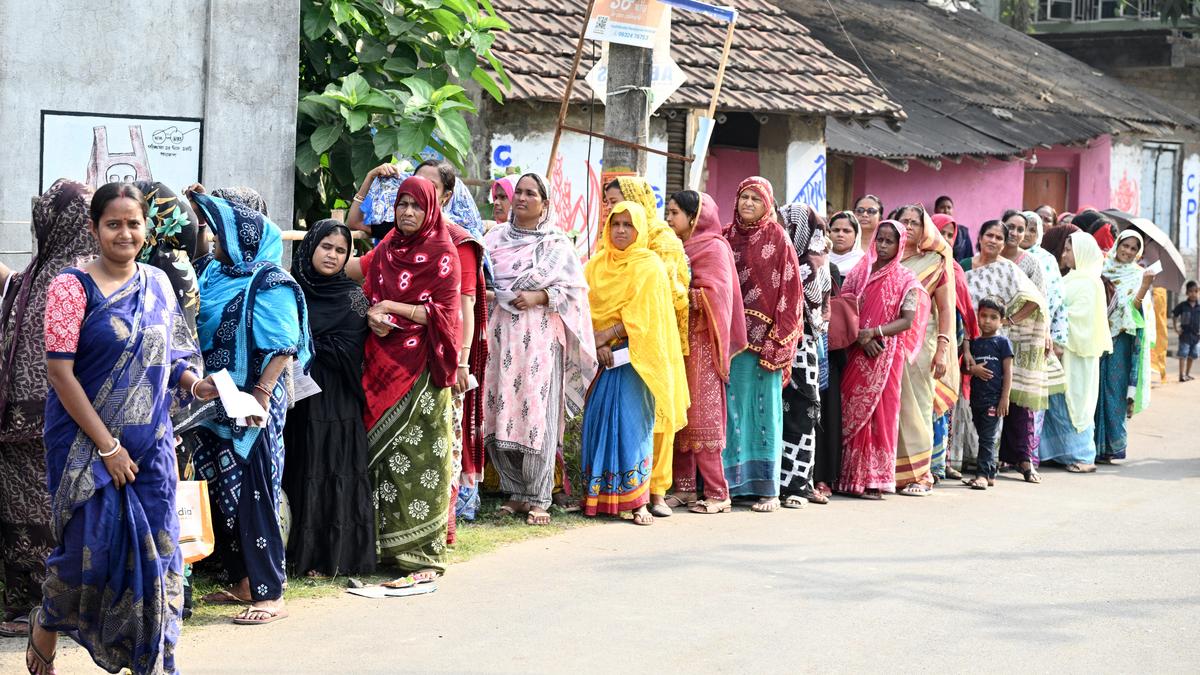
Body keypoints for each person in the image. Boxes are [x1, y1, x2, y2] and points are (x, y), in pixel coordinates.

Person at [31, 182, 217, 675]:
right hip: (81, 448)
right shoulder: (70, 288)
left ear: (147, 228)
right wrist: (108, 447)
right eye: (113, 223)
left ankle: (153, 662)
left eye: (133, 223)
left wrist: (197, 386)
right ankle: (47, 623)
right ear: (94, 229)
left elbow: (175, 356)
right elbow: (59, 373)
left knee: (158, 557)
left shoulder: (157, 282)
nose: (124, 232)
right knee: (82, 557)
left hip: (150, 447)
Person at [190, 192, 313, 625]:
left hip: (254, 401)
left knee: (255, 488)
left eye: (220, 231)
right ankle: (242, 580)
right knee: (222, 492)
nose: (214, 238)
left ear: (243, 238)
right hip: (215, 398)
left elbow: (284, 345)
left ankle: (269, 592)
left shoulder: (270, 281)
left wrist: (260, 393)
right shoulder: (213, 271)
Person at [345, 175, 460, 583]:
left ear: (431, 209)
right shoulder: (388, 247)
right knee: (384, 460)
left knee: (420, 457)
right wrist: (368, 312)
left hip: (422, 367)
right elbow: (348, 273)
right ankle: (386, 548)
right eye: (401, 205)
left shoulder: (443, 251)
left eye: (416, 205)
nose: (407, 212)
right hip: (379, 364)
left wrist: (392, 305)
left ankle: (424, 555)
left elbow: (445, 314)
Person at [0, 180, 97, 640]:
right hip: (15, 426)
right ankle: (26, 605)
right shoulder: (37, 271)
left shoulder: (83, 278)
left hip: (60, 421)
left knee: (54, 514)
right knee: (20, 516)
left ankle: (55, 608)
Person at [484, 173, 596, 526]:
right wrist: (493, 295)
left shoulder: (556, 245)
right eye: (518, 192)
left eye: (531, 193)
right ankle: (515, 492)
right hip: (501, 334)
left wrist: (541, 295)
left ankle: (539, 496)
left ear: (545, 204)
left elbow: (575, 290)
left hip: (541, 339)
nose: (521, 198)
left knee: (536, 411)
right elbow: (482, 279)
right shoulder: (493, 240)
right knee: (501, 407)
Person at [581, 201, 687, 525]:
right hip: (598, 357)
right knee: (598, 423)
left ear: (640, 229)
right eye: (616, 224)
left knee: (632, 426)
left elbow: (646, 316)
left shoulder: (649, 265)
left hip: (635, 358)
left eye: (629, 224)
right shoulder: (595, 266)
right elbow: (583, 308)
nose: (622, 230)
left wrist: (608, 335)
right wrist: (594, 340)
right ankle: (598, 497)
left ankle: (638, 501)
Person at [282, 219, 376, 577]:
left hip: (335, 401)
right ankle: (294, 553)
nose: (333, 256)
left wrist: (303, 347)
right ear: (311, 247)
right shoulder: (290, 290)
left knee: (330, 468)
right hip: (296, 398)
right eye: (326, 247)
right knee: (299, 466)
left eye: (340, 251)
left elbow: (349, 349)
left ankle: (332, 555)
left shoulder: (351, 297)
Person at [412, 160, 488, 544]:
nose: (417, 194)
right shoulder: (401, 238)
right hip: (400, 355)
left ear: (445, 196)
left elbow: (465, 308)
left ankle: (440, 527)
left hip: (442, 356)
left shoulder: (459, 242)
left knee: (441, 439)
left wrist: (460, 360)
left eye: (427, 186)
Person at [723, 177, 803, 512]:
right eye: (744, 197)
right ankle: (731, 484)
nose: (748, 204)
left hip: (766, 342)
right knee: (731, 411)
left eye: (756, 198)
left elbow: (791, 291)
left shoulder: (777, 238)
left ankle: (768, 488)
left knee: (764, 411)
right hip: (731, 341)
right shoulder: (725, 236)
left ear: (767, 204)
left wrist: (779, 341)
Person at [663, 191, 745, 514]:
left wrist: (682, 292)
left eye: (674, 213)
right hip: (678, 340)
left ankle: (717, 492)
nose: (668, 220)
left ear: (693, 217)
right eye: (667, 213)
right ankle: (684, 489)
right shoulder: (675, 248)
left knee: (702, 417)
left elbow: (719, 297)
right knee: (679, 414)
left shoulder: (713, 248)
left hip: (702, 343)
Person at [837, 221, 926, 499]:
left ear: (900, 244)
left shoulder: (906, 278)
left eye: (890, 241)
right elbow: (844, 307)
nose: (884, 246)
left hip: (885, 354)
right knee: (850, 411)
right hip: (856, 351)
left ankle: (875, 480)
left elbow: (907, 321)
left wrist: (873, 333)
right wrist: (860, 336)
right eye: (880, 240)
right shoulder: (858, 272)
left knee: (882, 416)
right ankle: (849, 478)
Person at [962, 219, 1048, 484]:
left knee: (1001, 400)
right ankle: (968, 459)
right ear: (980, 237)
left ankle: (1000, 464)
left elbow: (1036, 300)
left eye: (999, 238)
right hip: (969, 340)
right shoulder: (965, 266)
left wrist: (1009, 322)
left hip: (1002, 344)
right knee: (968, 401)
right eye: (989, 235)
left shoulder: (1009, 269)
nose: (994, 241)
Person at [892, 205, 957, 496]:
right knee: (891, 409)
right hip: (887, 342)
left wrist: (942, 349)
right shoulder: (885, 256)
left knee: (917, 407)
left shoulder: (935, 262)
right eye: (903, 221)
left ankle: (920, 476)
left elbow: (945, 310)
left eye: (914, 222)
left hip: (921, 345)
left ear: (924, 229)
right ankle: (889, 472)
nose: (907, 226)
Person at [1040, 232, 1111, 472]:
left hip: (1077, 354)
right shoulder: (1072, 278)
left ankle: (1083, 456)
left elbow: (1082, 318)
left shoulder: (1090, 282)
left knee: (1075, 402)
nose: (1064, 254)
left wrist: (1057, 318)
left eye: (1069, 250)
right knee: (1058, 402)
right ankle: (1059, 453)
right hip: (1064, 351)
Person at [778, 203, 832, 506]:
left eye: (790, 226)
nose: (784, 230)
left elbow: (810, 305)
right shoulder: (786, 259)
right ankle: (780, 481)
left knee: (801, 416)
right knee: (780, 415)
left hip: (801, 349)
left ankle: (799, 484)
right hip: (780, 348)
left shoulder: (813, 265)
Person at [1096, 230, 1156, 462]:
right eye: (1125, 245)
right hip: (1097, 335)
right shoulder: (1101, 268)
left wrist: (1144, 286)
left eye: (1133, 248)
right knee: (1095, 388)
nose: (1128, 251)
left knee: (1114, 390)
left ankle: (1111, 446)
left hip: (1121, 339)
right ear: (1117, 244)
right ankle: (1092, 445)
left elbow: (1137, 309)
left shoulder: (1139, 275)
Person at [931, 213, 980, 480]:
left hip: (952, 346)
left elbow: (966, 312)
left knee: (945, 403)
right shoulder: (923, 263)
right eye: (942, 232)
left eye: (951, 235)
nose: (946, 239)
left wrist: (966, 348)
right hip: (925, 342)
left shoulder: (956, 268)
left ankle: (942, 462)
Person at [963, 299, 1012, 489]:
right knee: (982, 435)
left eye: (993, 317)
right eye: (983, 316)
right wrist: (973, 370)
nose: (987, 321)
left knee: (987, 438)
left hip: (994, 399)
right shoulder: (975, 343)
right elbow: (965, 368)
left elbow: (1008, 371)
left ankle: (982, 475)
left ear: (1001, 321)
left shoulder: (1003, 343)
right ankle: (990, 473)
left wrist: (1004, 398)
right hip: (977, 399)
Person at [1172, 280, 1200, 382]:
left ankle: (1187, 374)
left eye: (1196, 291)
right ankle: (1181, 375)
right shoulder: (1183, 305)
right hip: (1185, 335)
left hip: (1196, 336)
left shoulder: (1199, 306)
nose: (1193, 293)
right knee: (1183, 355)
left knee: (1193, 355)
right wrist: (1176, 328)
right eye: (1191, 291)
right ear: (1187, 293)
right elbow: (1174, 315)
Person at [828, 210, 865, 276]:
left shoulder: (863, 263)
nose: (840, 234)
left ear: (856, 236)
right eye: (836, 230)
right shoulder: (819, 259)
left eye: (846, 231)